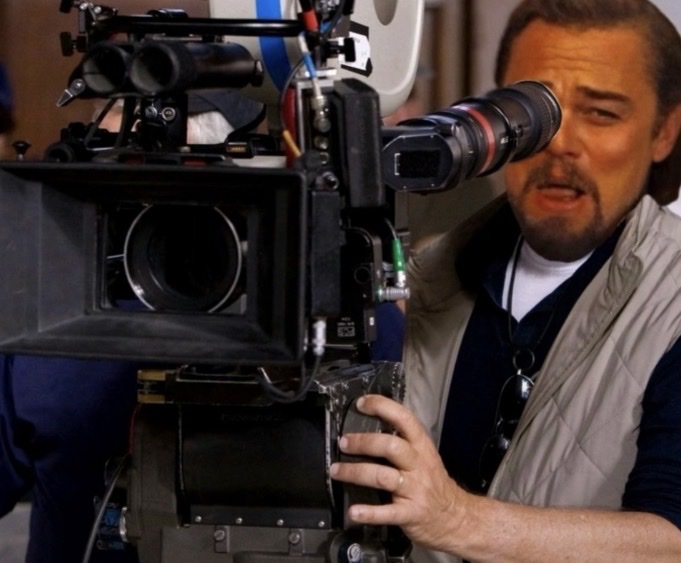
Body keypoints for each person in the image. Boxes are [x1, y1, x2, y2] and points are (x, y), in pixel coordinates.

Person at [330, 1, 681, 561]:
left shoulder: (672, 302)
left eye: (600, 113)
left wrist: (457, 519)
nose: (560, 143)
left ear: (664, 131)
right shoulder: (421, 280)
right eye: (534, 110)